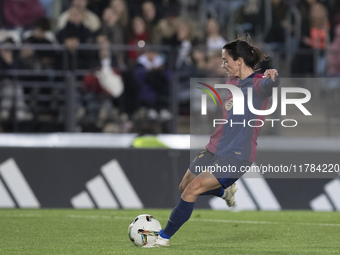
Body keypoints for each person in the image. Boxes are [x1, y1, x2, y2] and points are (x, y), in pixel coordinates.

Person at [145, 37, 280, 247]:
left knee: (192, 190)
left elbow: (269, 85)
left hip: (237, 154)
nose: (223, 65)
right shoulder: (231, 82)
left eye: (226, 60)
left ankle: (162, 238)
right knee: (185, 186)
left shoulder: (259, 83)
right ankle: (224, 191)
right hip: (215, 146)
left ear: (239, 61)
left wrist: (273, 79)